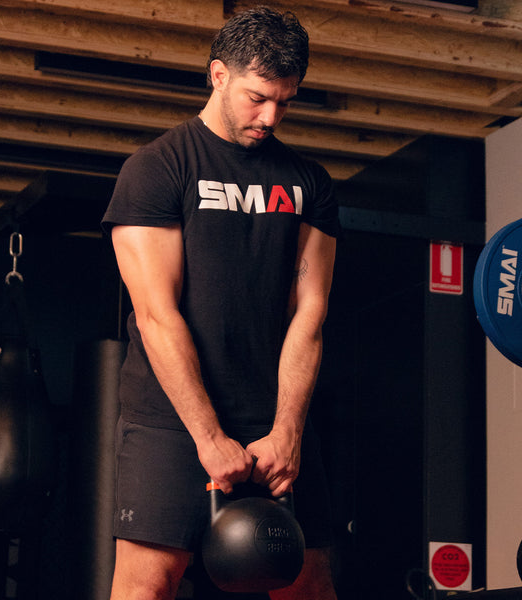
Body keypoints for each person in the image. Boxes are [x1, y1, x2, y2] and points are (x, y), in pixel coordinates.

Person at [102, 6, 340, 599]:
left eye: (285, 102)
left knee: (308, 586)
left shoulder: (309, 182)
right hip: (172, 421)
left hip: (273, 418)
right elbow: (156, 314)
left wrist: (288, 430)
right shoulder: (158, 169)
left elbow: (308, 313)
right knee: (147, 585)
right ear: (218, 75)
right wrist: (208, 438)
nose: (270, 116)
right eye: (258, 97)